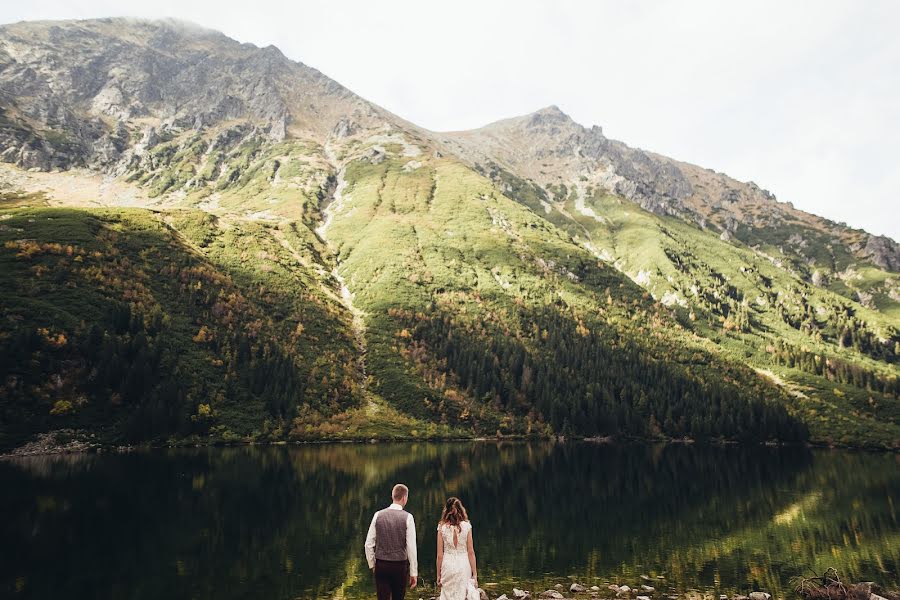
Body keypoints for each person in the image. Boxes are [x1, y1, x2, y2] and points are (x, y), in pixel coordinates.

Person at [365, 483, 418, 600]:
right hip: (399, 566)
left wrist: (372, 564)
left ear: (393, 496)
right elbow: (411, 547)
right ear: (404, 498)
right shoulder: (408, 517)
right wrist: (414, 572)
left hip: (381, 565)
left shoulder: (378, 515)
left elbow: (368, 544)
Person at [436, 497, 479, 600]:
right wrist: (475, 574)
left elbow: (439, 555)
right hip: (463, 565)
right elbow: (471, 552)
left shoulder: (442, 528)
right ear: (461, 510)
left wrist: (438, 574)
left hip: (448, 565)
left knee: (447, 595)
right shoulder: (467, 526)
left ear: (446, 511)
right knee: (462, 594)